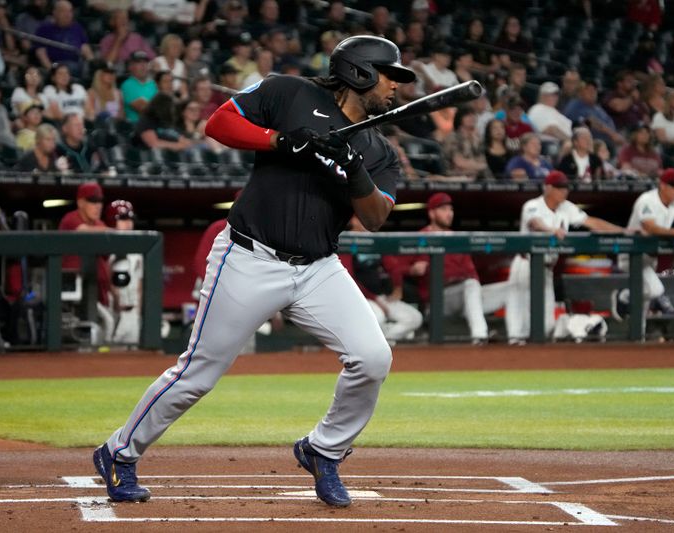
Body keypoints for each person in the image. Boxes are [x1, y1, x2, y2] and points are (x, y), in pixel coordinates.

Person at [92, 35, 418, 508]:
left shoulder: (375, 148)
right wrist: (281, 140)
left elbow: (375, 215)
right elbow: (218, 122)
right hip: (249, 256)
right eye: (391, 74)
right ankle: (118, 452)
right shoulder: (289, 92)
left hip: (318, 268)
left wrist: (351, 168)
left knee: (372, 357)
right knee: (198, 373)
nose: (396, 85)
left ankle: (323, 450)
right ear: (360, 73)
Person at [506, 170, 622, 344]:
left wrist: (623, 231)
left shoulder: (566, 207)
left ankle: (533, 352)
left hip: (546, 269)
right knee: (517, 323)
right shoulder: (532, 205)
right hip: (525, 265)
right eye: (559, 188)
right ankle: (513, 354)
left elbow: (592, 223)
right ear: (548, 188)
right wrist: (551, 230)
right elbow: (535, 223)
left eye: (566, 188)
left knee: (546, 325)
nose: (564, 191)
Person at [611, 168, 674, 341]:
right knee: (655, 290)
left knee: (644, 299)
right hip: (630, 253)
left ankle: (638, 337)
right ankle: (623, 296)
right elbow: (649, 227)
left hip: (649, 257)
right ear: (662, 185)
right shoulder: (647, 200)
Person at [406, 193, 492, 344]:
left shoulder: (458, 238)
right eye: (443, 209)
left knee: (511, 288)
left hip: (465, 296)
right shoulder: (420, 237)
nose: (449, 213)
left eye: (450, 209)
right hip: (437, 301)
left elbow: (471, 273)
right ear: (432, 213)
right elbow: (402, 267)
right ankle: (480, 336)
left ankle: (518, 340)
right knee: (471, 285)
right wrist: (412, 270)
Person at [343, 215, 423, 343]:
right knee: (378, 318)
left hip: (382, 296)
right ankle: (381, 341)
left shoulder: (375, 240)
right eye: (360, 218)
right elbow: (349, 280)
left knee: (414, 317)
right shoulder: (345, 241)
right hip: (362, 299)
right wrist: (375, 299)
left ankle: (383, 340)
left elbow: (393, 267)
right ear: (352, 221)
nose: (366, 221)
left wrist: (398, 287)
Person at [59, 181, 111, 309]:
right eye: (93, 201)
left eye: (100, 201)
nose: (98, 206)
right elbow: (83, 231)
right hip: (74, 293)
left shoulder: (100, 224)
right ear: (80, 202)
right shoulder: (70, 219)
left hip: (99, 294)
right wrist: (115, 231)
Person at [105, 199, 143, 344]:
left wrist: (138, 313)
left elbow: (140, 285)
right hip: (111, 312)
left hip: (132, 314)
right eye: (122, 219)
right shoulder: (104, 250)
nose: (128, 223)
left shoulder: (139, 250)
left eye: (130, 219)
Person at [34, 0, 94, 76]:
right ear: (55, 13)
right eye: (63, 11)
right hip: (56, 65)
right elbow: (41, 53)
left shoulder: (77, 28)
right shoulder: (44, 29)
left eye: (70, 11)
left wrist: (93, 63)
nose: (67, 15)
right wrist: (52, 70)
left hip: (76, 65)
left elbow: (85, 48)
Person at [563, 80, 625, 149]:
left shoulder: (598, 108)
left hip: (609, 144)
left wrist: (617, 135)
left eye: (594, 90)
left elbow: (609, 122)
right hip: (591, 144)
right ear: (581, 92)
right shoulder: (576, 105)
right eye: (588, 89)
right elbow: (590, 121)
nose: (592, 92)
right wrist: (613, 134)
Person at [441, 107, 489, 180]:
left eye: (473, 115)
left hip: (477, 177)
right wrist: (478, 166)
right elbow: (459, 162)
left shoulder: (477, 138)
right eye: (468, 115)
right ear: (460, 118)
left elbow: (483, 160)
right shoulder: (453, 137)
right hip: (455, 178)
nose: (472, 117)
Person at [121, 51, 157, 123]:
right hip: (136, 126)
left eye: (145, 62)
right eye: (139, 62)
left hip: (154, 125)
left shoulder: (153, 84)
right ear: (130, 66)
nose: (143, 65)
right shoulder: (127, 85)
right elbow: (142, 109)